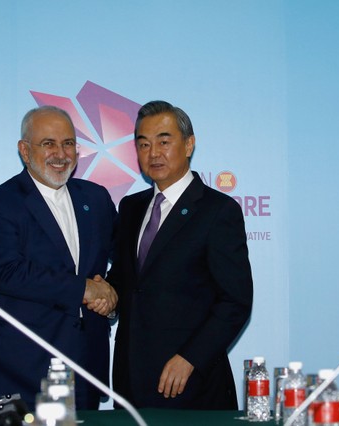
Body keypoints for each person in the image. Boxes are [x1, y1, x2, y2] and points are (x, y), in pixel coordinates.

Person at [108, 100, 253, 409]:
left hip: (192, 385)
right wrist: (104, 296)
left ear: (189, 145)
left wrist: (190, 358)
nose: (153, 153)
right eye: (143, 144)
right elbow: (124, 280)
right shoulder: (131, 208)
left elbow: (235, 301)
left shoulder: (218, 211)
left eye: (164, 141)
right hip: (130, 381)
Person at [0, 106, 117, 409]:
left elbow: (124, 258)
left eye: (68, 143)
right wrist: (85, 289)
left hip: (85, 370)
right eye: (48, 143)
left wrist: (111, 293)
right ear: (25, 151)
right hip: (20, 372)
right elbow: (9, 273)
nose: (60, 153)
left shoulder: (96, 199)